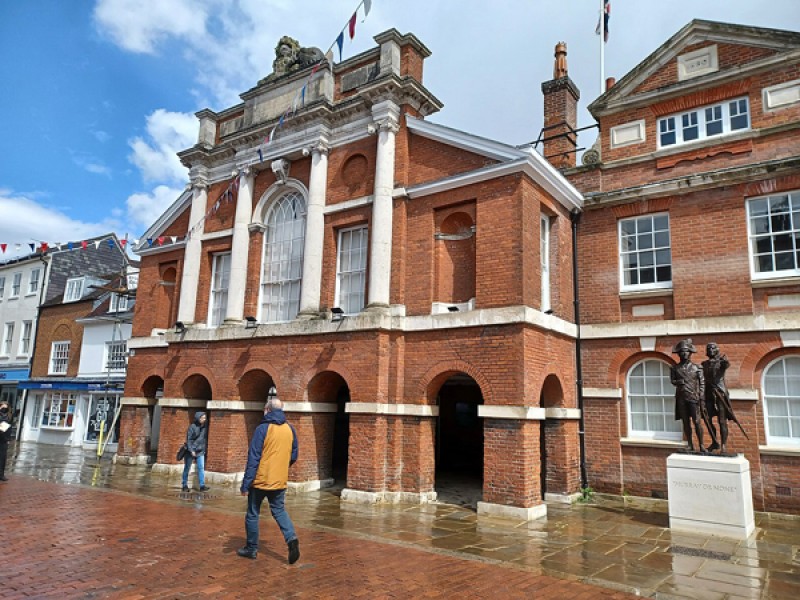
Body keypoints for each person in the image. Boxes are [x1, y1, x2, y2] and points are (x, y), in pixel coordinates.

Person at [238, 398, 300, 564]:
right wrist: (281, 468)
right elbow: (293, 455)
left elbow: (254, 458)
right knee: (279, 511)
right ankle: (291, 538)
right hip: (279, 480)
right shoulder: (290, 429)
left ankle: (251, 548)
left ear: (267, 410)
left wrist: (246, 484)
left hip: (260, 480)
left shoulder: (262, 429)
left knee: (252, 513)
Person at [670, 339, 706, 453]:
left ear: (690, 353)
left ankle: (701, 445)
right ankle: (690, 444)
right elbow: (672, 380)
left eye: (686, 351)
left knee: (697, 422)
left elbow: (702, 383)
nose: (684, 353)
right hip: (681, 398)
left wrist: (701, 395)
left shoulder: (697, 368)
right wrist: (678, 382)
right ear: (678, 354)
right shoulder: (674, 368)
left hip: (693, 398)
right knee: (685, 422)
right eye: (681, 351)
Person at [702, 342, 733, 454]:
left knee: (721, 421)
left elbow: (726, 365)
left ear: (717, 350)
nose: (710, 349)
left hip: (720, 393)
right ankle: (714, 442)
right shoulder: (704, 364)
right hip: (708, 394)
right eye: (708, 348)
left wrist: (724, 362)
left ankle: (723, 445)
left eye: (712, 348)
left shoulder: (721, 362)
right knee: (707, 419)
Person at [182, 411, 209, 492]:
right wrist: (191, 450)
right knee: (187, 467)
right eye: (202, 418)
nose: (204, 419)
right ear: (198, 418)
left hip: (200, 451)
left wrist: (204, 449)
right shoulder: (192, 427)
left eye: (205, 418)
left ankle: (202, 486)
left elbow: (203, 439)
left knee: (201, 468)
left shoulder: (205, 427)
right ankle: (184, 485)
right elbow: (189, 440)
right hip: (191, 451)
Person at [0, 402, 11, 481]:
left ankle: (1, 474)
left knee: (3, 458)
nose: (4, 409)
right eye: (3, 408)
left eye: (6, 408)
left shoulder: (8, 417)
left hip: (4, 440)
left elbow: (7, 428)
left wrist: (8, 439)